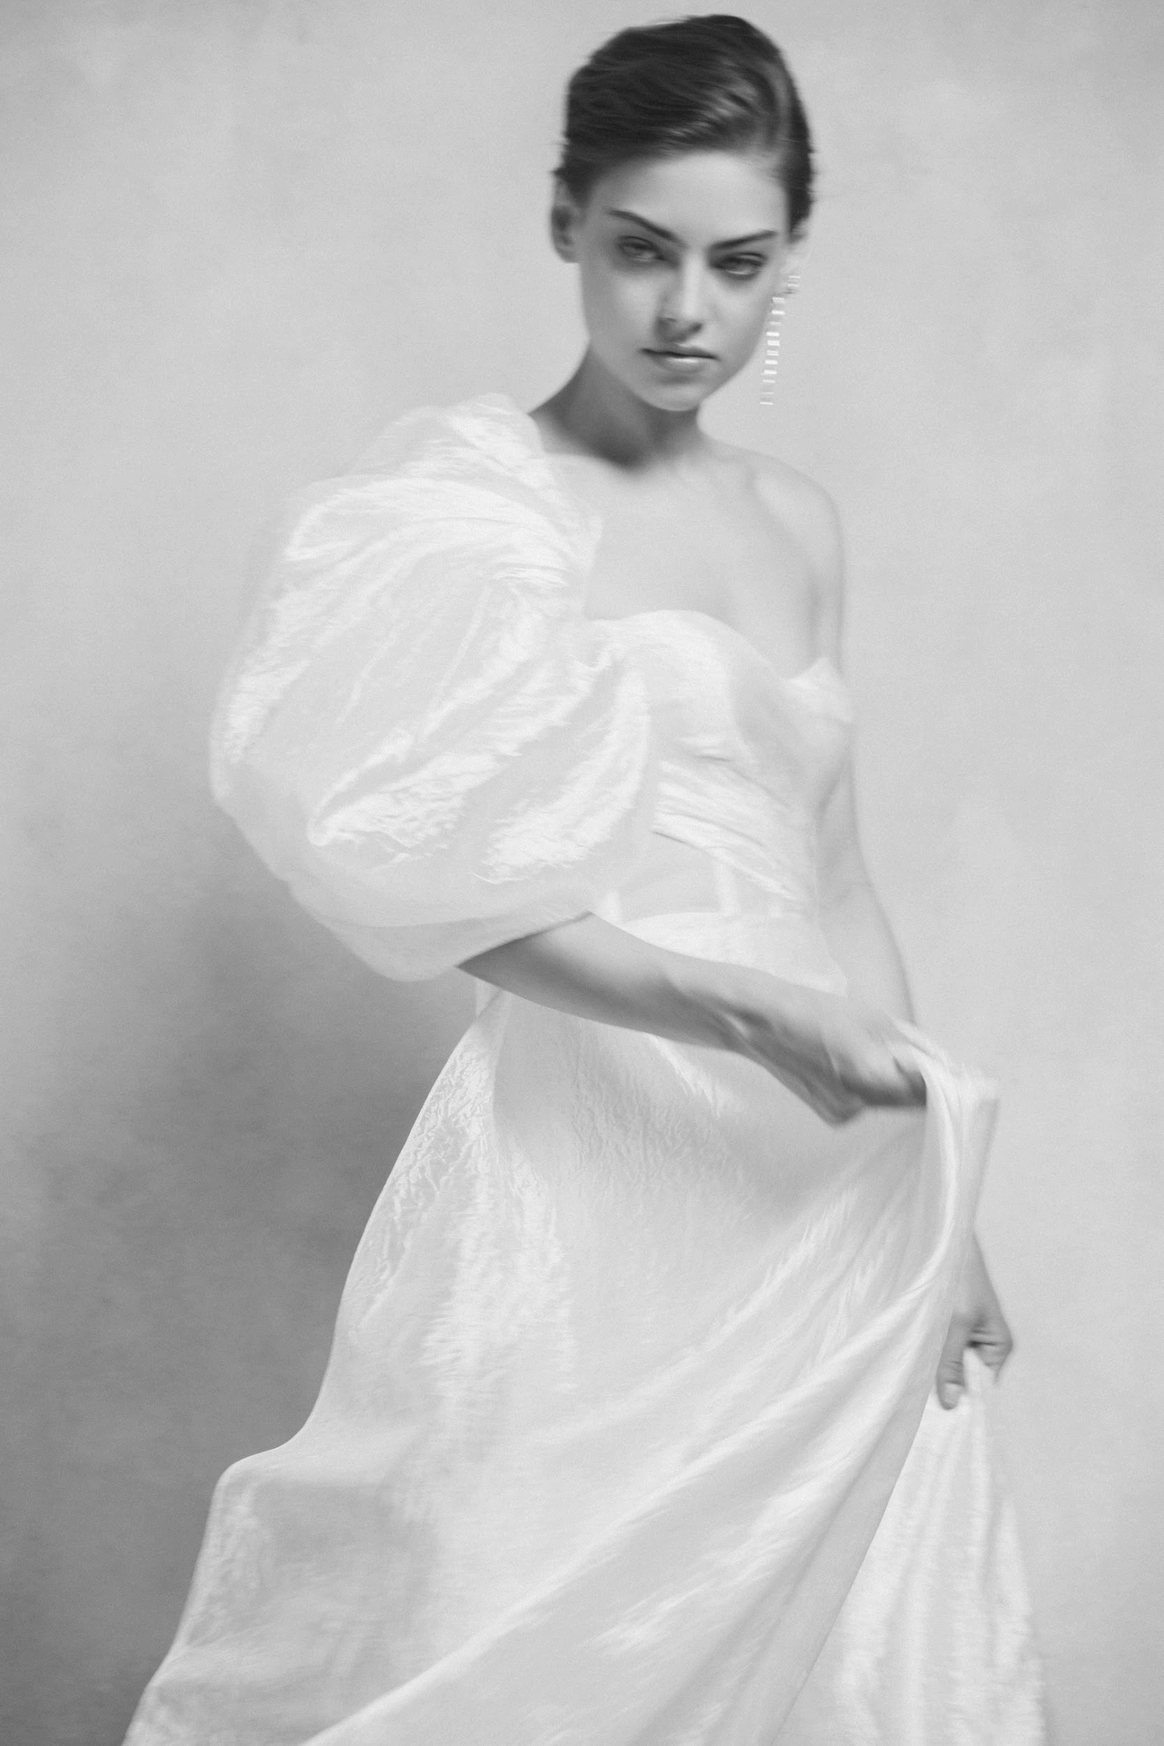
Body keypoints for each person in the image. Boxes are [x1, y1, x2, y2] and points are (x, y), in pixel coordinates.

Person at [124, 16, 1045, 1744]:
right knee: (533, 1609)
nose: (687, 309)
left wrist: (946, 1208)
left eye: (738, 263)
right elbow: (453, 890)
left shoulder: (799, 522)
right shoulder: (474, 508)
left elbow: (836, 879)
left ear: (788, 261)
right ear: (566, 224)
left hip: (822, 1168)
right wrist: (737, 1008)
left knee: (845, 1642)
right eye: (641, 249)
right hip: (596, 1156)